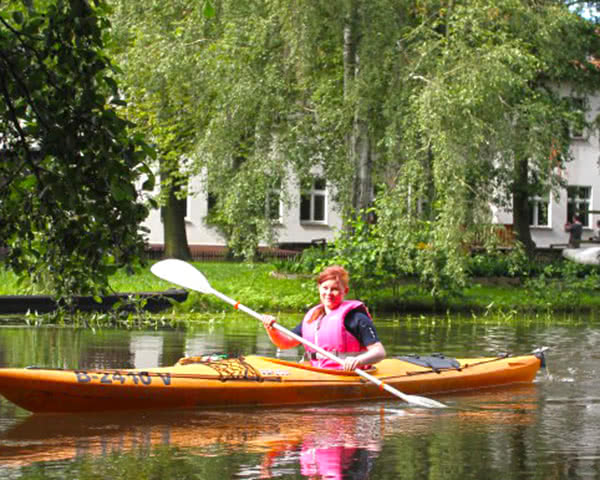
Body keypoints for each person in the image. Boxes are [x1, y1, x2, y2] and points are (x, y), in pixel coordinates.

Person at [261, 265, 386, 371]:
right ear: (319, 288)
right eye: (325, 288)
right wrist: (271, 329)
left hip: (347, 373)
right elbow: (285, 343)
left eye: (335, 289)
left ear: (345, 291)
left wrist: (358, 360)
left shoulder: (356, 318)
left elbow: (379, 352)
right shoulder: (314, 317)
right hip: (317, 370)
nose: (328, 293)